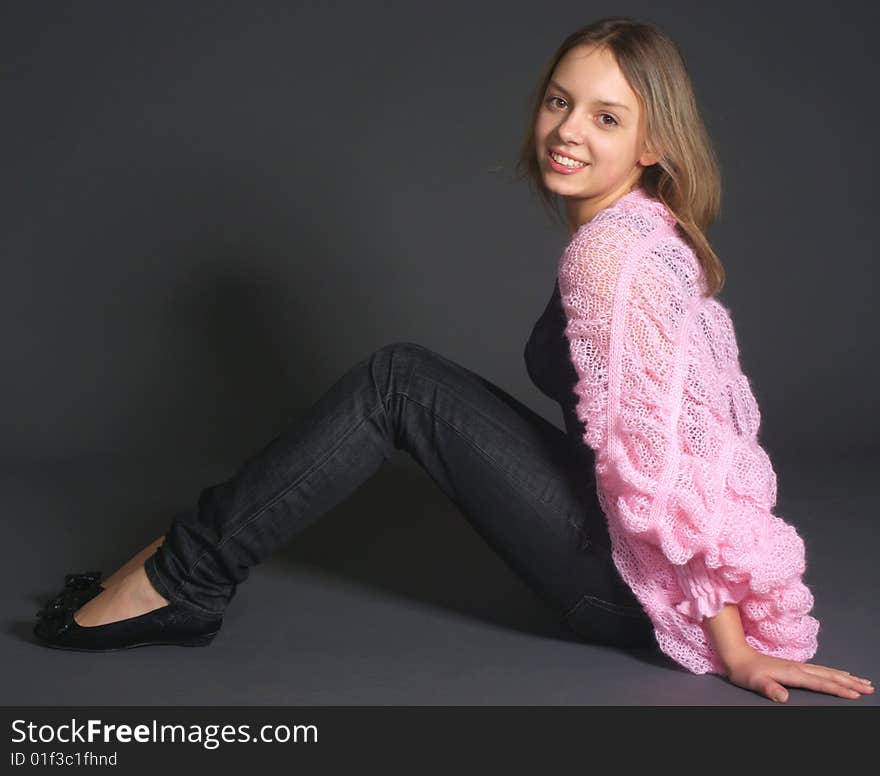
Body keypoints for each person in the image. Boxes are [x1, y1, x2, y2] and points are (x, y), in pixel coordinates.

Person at [33, 16, 873, 704]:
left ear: (654, 143)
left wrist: (731, 650)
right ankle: (179, 557)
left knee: (397, 381)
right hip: (623, 541)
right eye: (558, 101)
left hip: (625, 592)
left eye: (606, 118)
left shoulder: (611, 259)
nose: (568, 131)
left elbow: (677, 470)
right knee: (401, 377)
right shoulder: (648, 231)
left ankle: (183, 578)